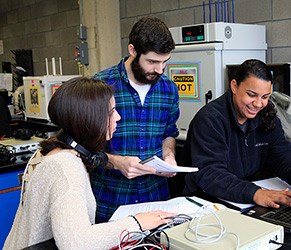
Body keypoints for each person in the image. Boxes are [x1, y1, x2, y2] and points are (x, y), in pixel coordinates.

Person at [4, 77, 176, 249]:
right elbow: (76, 244)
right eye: (111, 112)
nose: (118, 117)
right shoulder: (67, 168)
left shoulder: (53, 151)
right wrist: (137, 223)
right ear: (90, 118)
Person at [179, 59, 291, 209]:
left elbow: (282, 154)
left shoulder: (266, 116)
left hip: (242, 194)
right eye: (251, 95)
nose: (258, 104)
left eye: (265, 97)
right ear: (234, 86)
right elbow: (210, 174)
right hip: (204, 200)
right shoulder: (210, 119)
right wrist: (256, 194)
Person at [90, 16, 180, 223]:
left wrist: (169, 157)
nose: (160, 69)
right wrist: (115, 162)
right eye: (152, 61)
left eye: (165, 62)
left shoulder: (168, 88)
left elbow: (169, 132)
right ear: (132, 50)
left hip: (156, 199)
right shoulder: (100, 85)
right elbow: (82, 148)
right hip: (111, 202)